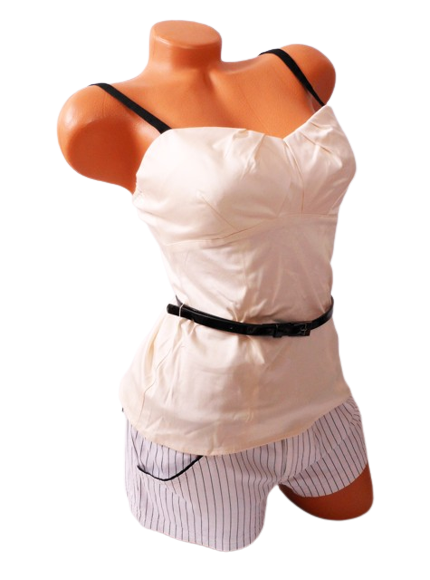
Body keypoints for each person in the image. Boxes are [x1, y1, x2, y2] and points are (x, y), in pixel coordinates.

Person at [56, 19, 374, 551]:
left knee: (358, 512)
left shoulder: (302, 67)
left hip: (321, 395)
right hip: (204, 425)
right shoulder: (102, 114)